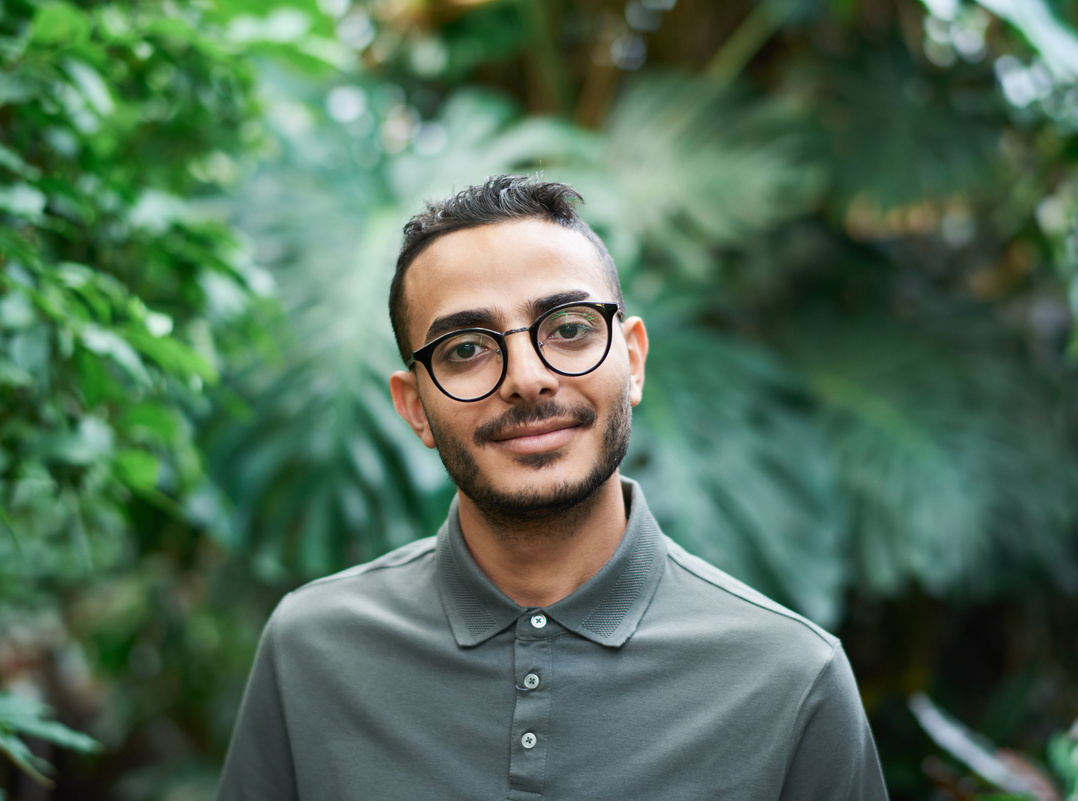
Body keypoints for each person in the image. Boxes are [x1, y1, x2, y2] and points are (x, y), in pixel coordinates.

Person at [216, 175, 888, 800]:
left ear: (632, 360)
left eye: (568, 329)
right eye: (466, 349)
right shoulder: (312, 650)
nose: (528, 377)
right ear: (414, 406)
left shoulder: (792, 677)